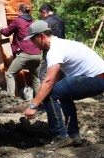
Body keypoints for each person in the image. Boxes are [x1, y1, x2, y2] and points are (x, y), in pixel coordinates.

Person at [23, 20, 104, 150]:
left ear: (41, 36)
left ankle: (60, 137)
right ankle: (73, 136)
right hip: (98, 78)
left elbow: (48, 82)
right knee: (63, 94)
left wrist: (33, 105)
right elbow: (56, 77)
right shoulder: (61, 44)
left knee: (49, 94)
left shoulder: (55, 50)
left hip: (95, 78)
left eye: (33, 39)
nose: (32, 42)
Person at [0, 4, 41, 98]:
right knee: (36, 78)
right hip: (36, 54)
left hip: (25, 53)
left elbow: (6, 32)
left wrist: (0, 28)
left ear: (20, 11)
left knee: (10, 74)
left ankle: (11, 99)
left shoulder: (18, 21)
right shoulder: (33, 21)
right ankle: (39, 102)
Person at [38, 3, 65, 82]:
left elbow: (43, 37)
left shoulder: (46, 21)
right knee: (59, 75)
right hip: (63, 50)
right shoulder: (61, 20)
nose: (42, 16)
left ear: (44, 11)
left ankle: (47, 94)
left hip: (51, 51)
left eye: (41, 14)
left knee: (43, 74)